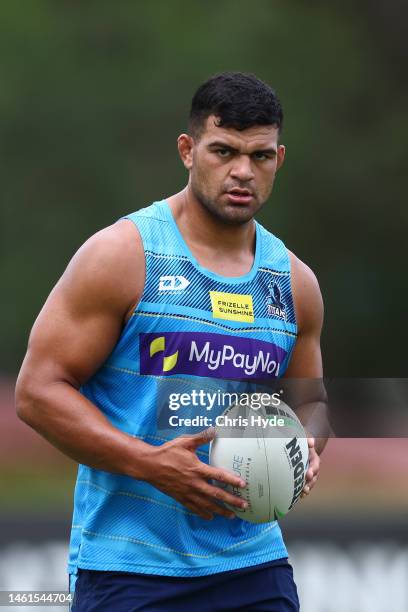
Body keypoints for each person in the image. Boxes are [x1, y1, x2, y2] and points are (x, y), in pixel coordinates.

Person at [16, 72, 329, 611]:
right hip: (129, 569)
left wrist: (305, 445)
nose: (242, 172)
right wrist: (150, 463)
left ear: (279, 158)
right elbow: (37, 392)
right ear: (188, 150)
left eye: (260, 156)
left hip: (253, 563)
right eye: (224, 151)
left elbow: (313, 403)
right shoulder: (123, 255)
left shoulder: (293, 282)